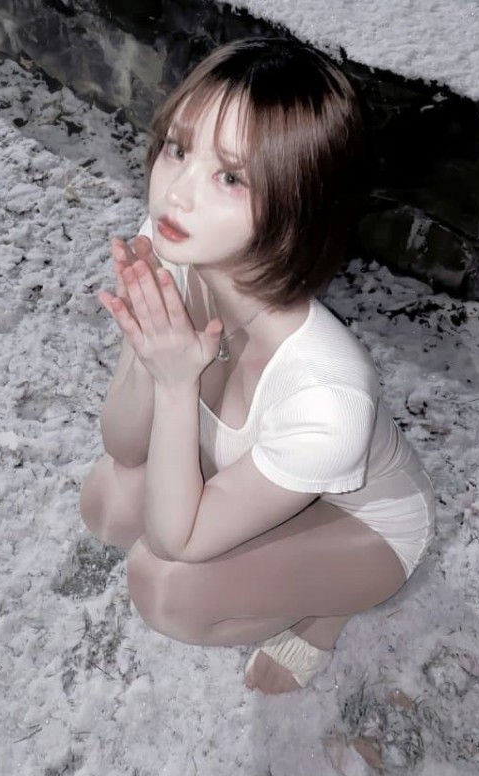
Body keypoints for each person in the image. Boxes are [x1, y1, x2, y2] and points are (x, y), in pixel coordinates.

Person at [80, 37, 435, 695]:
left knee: (166, 585)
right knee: (108, 500)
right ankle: (268, 550)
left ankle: (325, 609)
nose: (177, 192)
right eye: (178, 148)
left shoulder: (327, 393)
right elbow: (123, 444)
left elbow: (177, 541)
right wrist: (153, 356)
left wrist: (178, 384)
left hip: (366, 523)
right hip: (265, 477)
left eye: (231, 177)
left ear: (298, 204)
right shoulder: (171, 246)